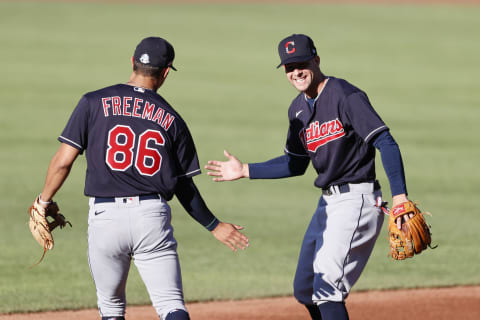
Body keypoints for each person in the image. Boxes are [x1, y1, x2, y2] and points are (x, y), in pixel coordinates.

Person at [33, 36, 249, 320]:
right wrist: (214, 225)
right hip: (152, 217)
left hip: (105, 218)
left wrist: (43, 200)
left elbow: (63, 162)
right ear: (166, 72)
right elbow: (184, 184)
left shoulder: (92, 102)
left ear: (132, 63)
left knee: (111, 307)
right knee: (171, 304)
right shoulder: (172, 119)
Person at [205, 34, 411, 320]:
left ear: (316, 60)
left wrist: (400, 195)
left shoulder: (346, 96)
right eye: (289, 67)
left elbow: (385, 142)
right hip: (327, 205)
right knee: (304, 287)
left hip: (357, 201)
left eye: (301, 63)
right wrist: (245, 170)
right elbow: (295, 164)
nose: (296, 72)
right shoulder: (298, 110)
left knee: (327, 288)